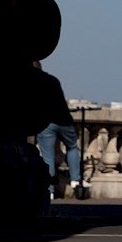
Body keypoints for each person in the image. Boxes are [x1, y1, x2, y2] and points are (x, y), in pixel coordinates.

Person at [36, 69, 80, 198]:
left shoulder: (31, 82)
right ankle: (75, 180)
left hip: (46, 123)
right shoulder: (52, 80)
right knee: (72, 147)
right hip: (64, 120)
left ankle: (50, 189)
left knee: (47, 156)